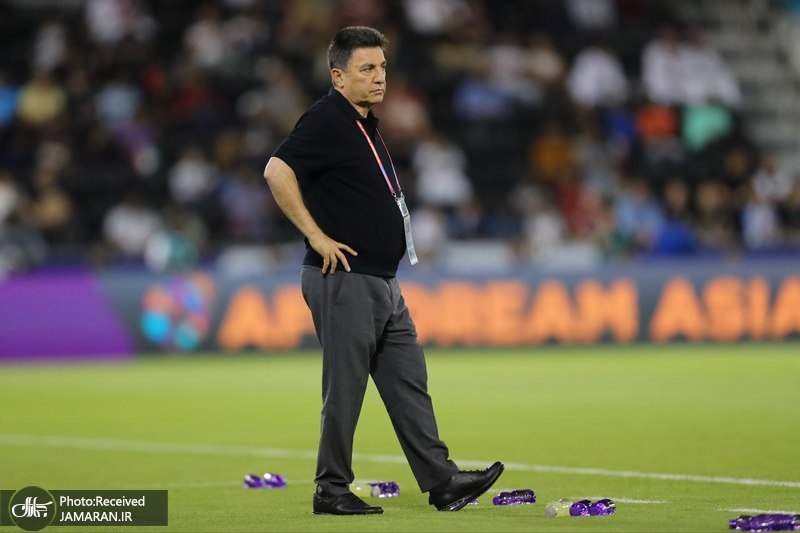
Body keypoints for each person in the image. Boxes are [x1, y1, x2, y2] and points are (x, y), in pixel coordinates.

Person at [263, 26, 504, 516]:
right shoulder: (327, 117)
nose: (379, 77)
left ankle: (442, 481)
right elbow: (276, 170)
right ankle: (331, 489)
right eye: (367, 68)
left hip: (382, 280)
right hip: (345, 278)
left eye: (383, 68)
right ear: (338, 76)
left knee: (408, 380)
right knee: (345, 388)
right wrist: (316, 236)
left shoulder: (361, 125)